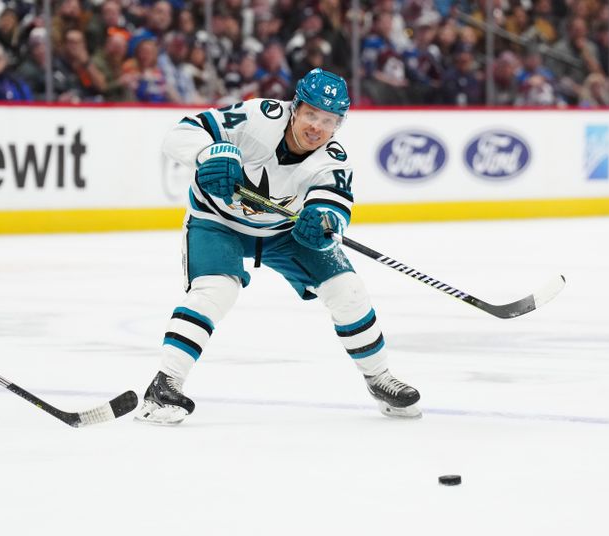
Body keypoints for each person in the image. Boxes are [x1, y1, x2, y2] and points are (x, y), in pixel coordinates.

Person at [135, 67, 421, 425]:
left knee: (347, 290)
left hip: (285, 231)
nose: (317, 127)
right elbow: (180, 134)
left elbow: (333, 207)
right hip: (217, 221)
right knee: (216, 290)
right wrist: (211, 154)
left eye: (329, 120)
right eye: (311, 114)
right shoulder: (258, 117)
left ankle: (379, 378)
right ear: (295, 108)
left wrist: (324, 221)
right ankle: (163, 387)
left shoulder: (333, 159)